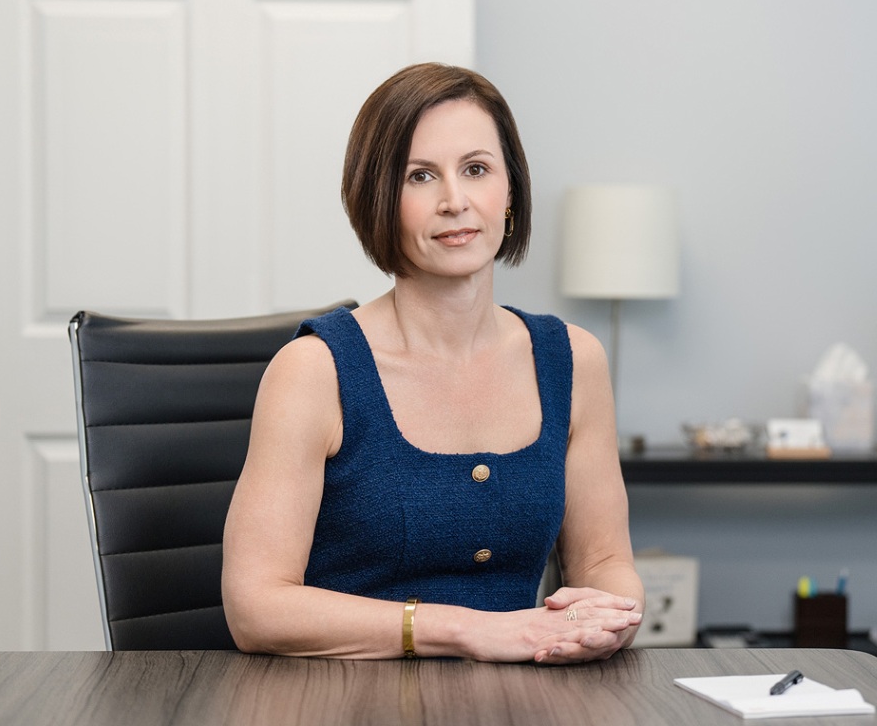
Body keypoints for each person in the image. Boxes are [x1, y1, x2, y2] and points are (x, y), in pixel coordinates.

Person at [222, 62, 645, 664]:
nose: (455, 201)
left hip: (521, 699)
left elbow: (605, 562)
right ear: (379, 198)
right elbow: (256, 606)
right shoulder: (314, 371)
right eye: (420, 176)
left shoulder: (574, 360)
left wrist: (610, 617)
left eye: (476, 169)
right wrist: (467, 630)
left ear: (510, 193)